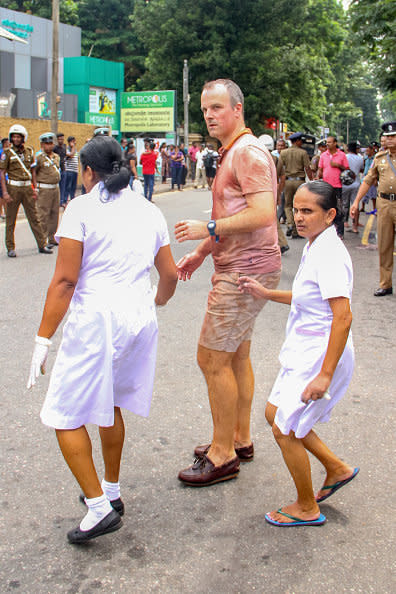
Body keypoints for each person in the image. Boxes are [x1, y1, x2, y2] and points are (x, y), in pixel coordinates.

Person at [27, 135, 178, 544]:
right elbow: (168, 275)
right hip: (138, 318)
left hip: (98, 321)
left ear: (89, 171)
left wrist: (43, 339)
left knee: (62, 414)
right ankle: (110, 491)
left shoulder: (81, 208)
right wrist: (157, 302)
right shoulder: (148, 210)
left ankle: (98, 508)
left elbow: (64, 280)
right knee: (109, 403)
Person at [175, 78, 281, 486]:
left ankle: (222, 455)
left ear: (238, 109)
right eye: (205, 110)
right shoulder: (233, 152)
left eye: (217, 108)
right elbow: (239, 212)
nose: (210, 116)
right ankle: (239, 439)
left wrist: (208, 228)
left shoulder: (248, 153)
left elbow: (263, 214)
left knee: (211, 359)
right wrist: (203, 252)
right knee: (236, 356)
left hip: (244, 270)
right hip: (243, 264)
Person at [239, 180, 358, 526]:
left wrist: (324, 374)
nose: (299, 217)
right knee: (275, 412)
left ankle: (306, 507)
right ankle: (336, 468)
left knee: (284, 427)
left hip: (320, 355)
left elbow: (343, 316)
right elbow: (308, 297)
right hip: (305, 351)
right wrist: (265, 292)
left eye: (308, 211)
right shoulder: (316, 245)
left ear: (330, 214)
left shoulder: (331, 254)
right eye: (296, 209)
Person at [351, 121, 396, 296]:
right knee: (384, 245)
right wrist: (356, 202)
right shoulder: (380, 158)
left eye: (393, 136)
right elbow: (368, 180)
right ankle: (385, 284)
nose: (389, 140)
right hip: (384, 204)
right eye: (387, 136)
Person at [0, 124, 52, 257]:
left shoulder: (30, 151)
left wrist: (35, 188)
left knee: (34, 218)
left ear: (23, 138)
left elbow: (33, 171)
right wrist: (4, 192)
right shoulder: (7, 153)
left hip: (27, 188)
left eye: (19, 137)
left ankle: (42, 245)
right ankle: (10, 248)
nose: (16, 139)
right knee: (11, 219)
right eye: (14, 137)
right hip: (13, 188)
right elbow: (2, 172)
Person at [278, 132, 313, 239]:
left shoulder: (283, 153)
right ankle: (296, 229)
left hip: (288, 182)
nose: (301, 142)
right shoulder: (303, 153)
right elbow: (307, 168)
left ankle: (290, 224)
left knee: (287, 205)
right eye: (300, 141)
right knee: (299, 206)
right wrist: (312, 180)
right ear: (297, 141)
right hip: (300, 182)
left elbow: (279, 168)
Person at [318, 135, 349, 238]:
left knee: (338, 209)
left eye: (330, 142)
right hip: (325, 186)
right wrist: (318, 179)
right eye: (327, 142)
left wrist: (338, 165)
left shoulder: (342, 155)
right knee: (325, 208)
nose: (327, 144)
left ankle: (340, 232)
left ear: (335, 143)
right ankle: (326, 231)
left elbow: (347, 170)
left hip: (337, 185)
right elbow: (320, 170)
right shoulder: (323, 155)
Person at [35, 132, 61, 248]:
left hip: (55, 188)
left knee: (54, 214)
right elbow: (34, 173)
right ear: (42, 145)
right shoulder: (39, 158)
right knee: (43, 215)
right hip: (44, 188)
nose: (49, 146)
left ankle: (52, 237)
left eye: (51, 143)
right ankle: (43, 239)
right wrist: (35, 188)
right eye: (46, 144)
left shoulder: (56, 157)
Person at [342, 141, 364, 233]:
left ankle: (345, 222)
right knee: (355, 205)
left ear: (348, 149)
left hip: (345, 184)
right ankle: (355, 226)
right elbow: (362, 170)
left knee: (344, 204)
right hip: (356, 184)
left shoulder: (344, 157)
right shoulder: (360, 159)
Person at [360, 142, 380, 211]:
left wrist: (375, 179)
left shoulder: (375, 158)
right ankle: (363, 207)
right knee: (363, 193)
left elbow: (377, 169)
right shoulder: (365, 158)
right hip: (365, 177)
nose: (367, 152)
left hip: (372, 178)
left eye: (368, 151)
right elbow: (363, 167)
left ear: (372, 150)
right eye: (366, 151)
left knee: (373, 195)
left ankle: (374, 208)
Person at [53, 133, 67, 207]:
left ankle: (61, 201)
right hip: (57, 169)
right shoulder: (55, 148)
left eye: (62, 139)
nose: (61, 140)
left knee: (63, 186)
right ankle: (57, 201)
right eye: (59, 139)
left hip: (63, 168)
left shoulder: (64, 147)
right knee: (57, 186)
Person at [64, 136, 79, 204]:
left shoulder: (75, 150)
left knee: (73, 187)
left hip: (75, 171)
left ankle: (72, 200)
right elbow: (71, 155)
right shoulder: (67, 149)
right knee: (68, 186)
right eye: (73, 141)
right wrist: (72, 147)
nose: (74, 142)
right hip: (69, 171)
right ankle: (65, 200)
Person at [0, 137, 10, 219]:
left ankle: (6, 212)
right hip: (3, 177)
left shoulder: (9, 152)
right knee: (3, 195)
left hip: (7, 176)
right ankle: (3, 212)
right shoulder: (2, 152)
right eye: (8, 142)